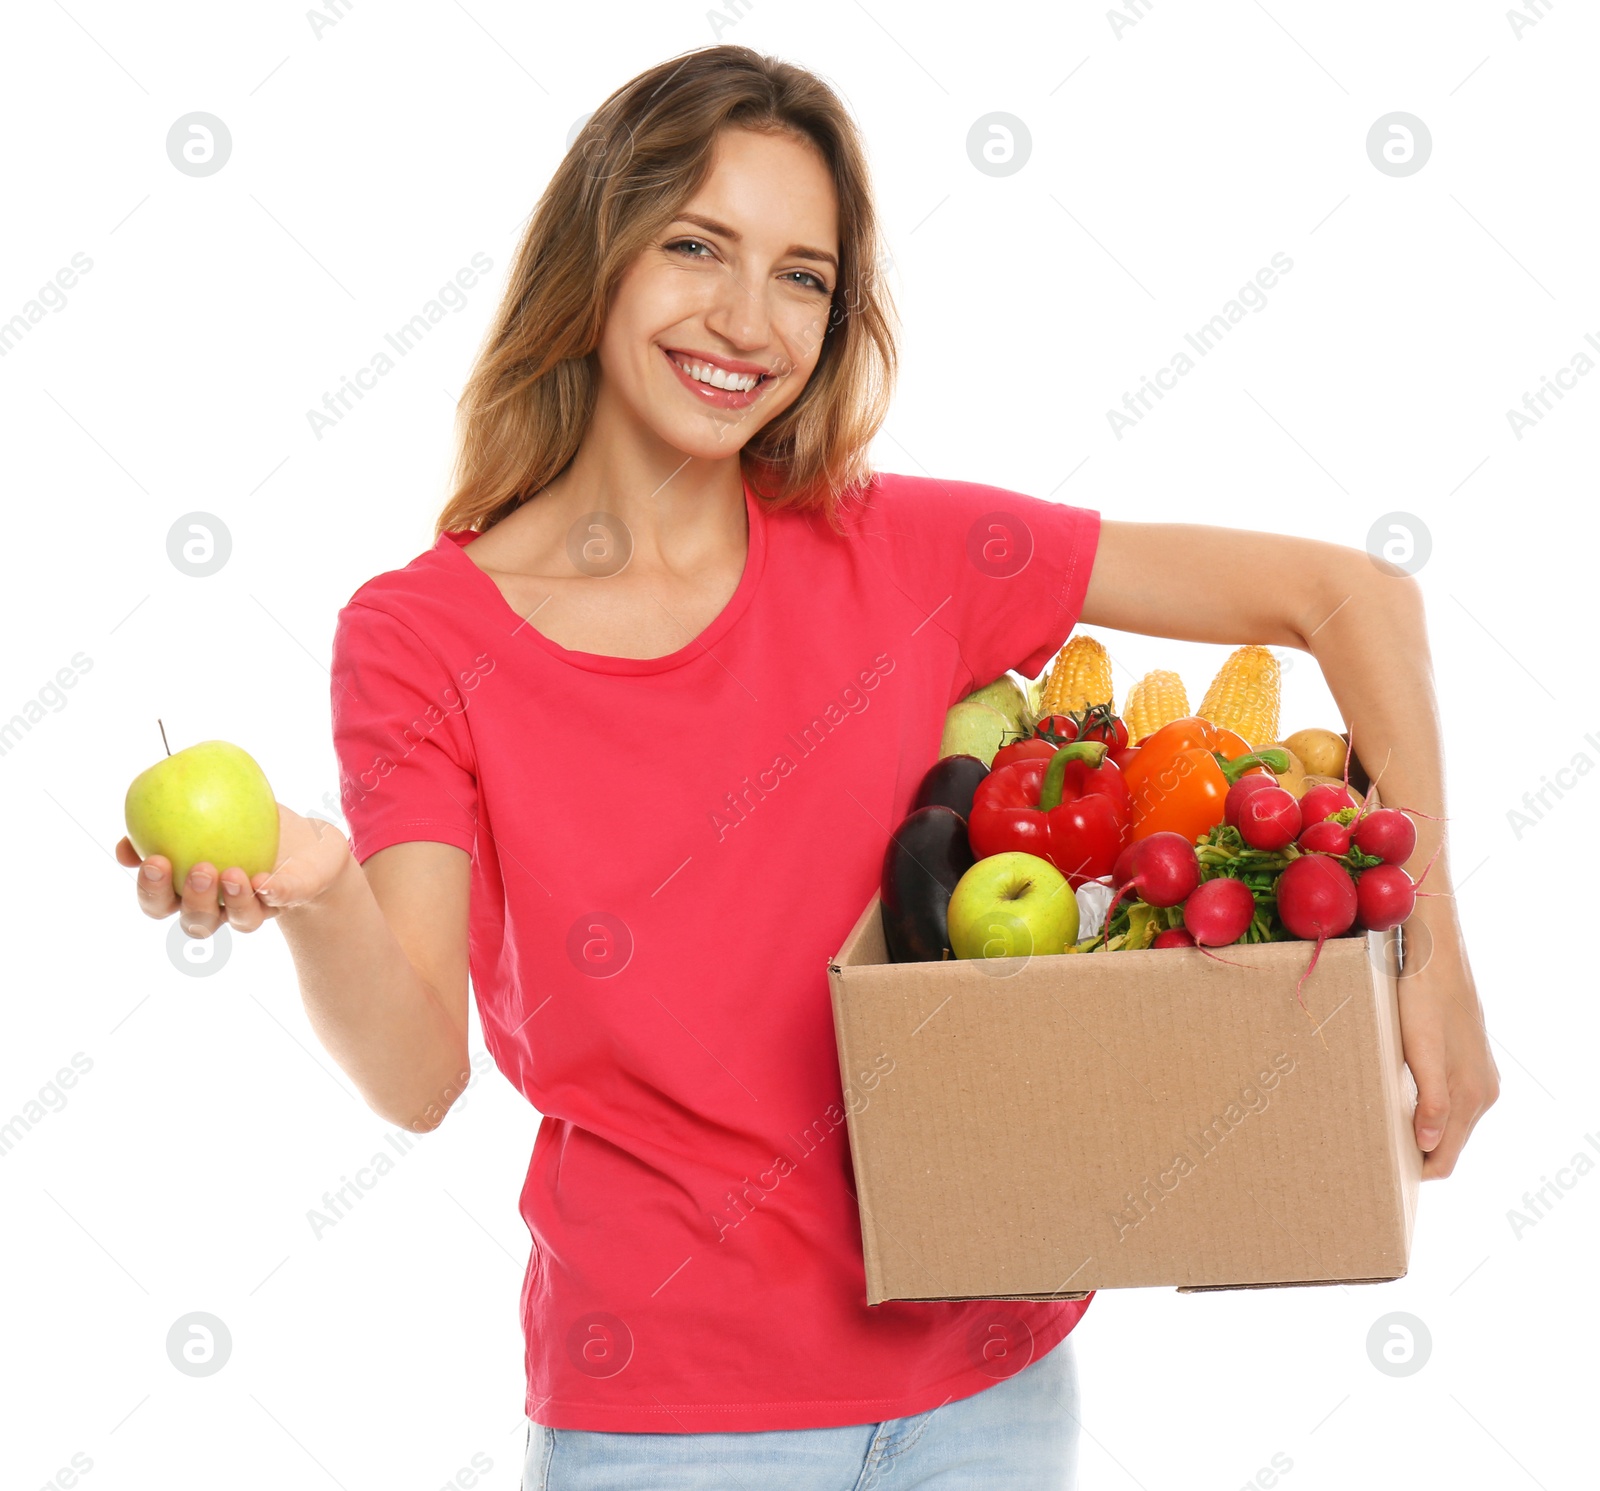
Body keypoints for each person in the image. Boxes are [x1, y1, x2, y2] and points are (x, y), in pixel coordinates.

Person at [116, 43, 1499, 1491]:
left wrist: (1434, 968)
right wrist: (321, 888)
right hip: (668, 1422)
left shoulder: (894, 547)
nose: (746, 319)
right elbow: (414, 1078)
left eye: (803, 276)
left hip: (994, 1393)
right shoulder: (419, 637)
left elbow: (1356, 599)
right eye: (697, 247)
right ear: (595, 258)